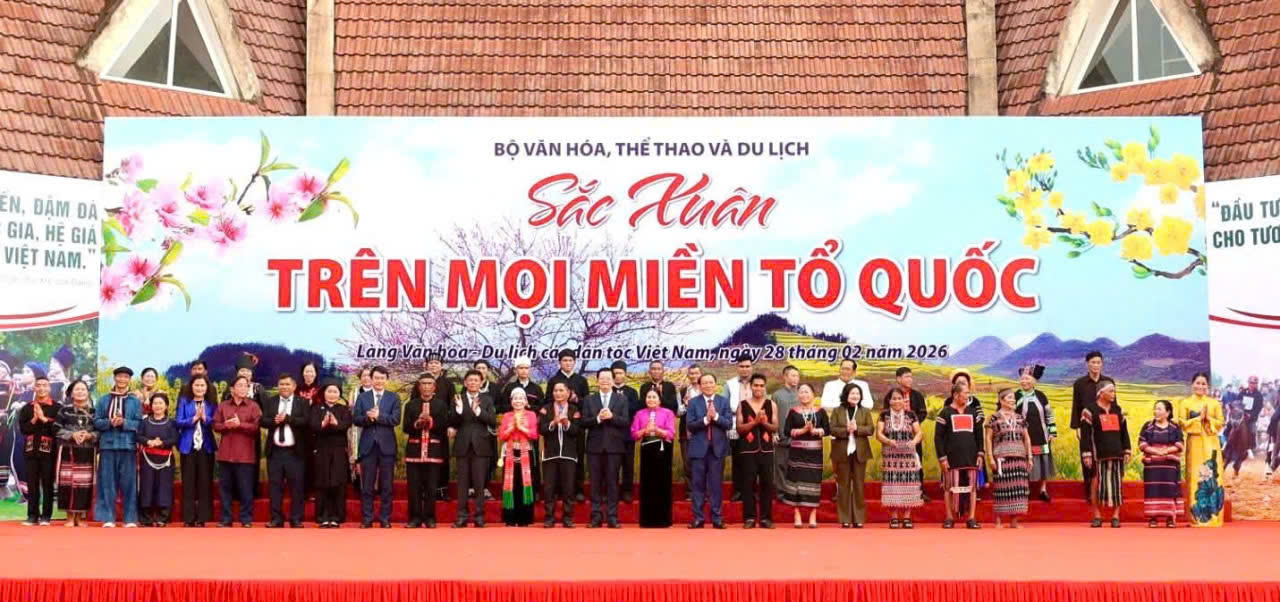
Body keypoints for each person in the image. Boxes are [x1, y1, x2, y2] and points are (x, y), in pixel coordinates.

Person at [580, 367, 630, 528]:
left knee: (612, 483)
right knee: (595, 483)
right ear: (597, 380)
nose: (605, 381)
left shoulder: (621, 399)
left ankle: (612, 517)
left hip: (614, 448)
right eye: (602, 378)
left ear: (613, 380)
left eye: (608, 378)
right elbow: (583, 422)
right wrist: (598, 419)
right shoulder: (589, 399)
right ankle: (595, 516)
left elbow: (625, 422)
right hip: (594, 447)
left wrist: (612, 417)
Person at [352, 366, 400, 528]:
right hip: (368, 446)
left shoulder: (393, 397)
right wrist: (368, 418)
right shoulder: (362, 397)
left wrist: (379, 416)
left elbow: (395, 420)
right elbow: (356, 419)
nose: (379, 381)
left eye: (382, 378)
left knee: (387, 486)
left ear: (386, 379)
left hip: (387, 446)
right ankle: (367, 519)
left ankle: (385, 519)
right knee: (367, 486)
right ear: (371, 379)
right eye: (376, 378)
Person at [94, 366, 142, 527]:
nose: (122, 379)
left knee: (129, 484)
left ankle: (130, 519)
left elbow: (139, 423)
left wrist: (124, 422)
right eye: (119, 376)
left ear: (129, 380)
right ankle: (108, 518)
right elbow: (96, 421)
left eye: (125, 377)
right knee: (107, 483)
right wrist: (109, 422)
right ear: (114, 378)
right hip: (107, 445)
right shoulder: (103, 399)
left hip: (128, 445)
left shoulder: (135, 401)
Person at [213, 375, 263, 527]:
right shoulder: (223, 406)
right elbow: (215, 425)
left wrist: (240, 424)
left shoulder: (253, 406)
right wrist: (226, 425)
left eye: (246, 385)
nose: (243, 388)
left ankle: (246, 519)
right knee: (225, 489)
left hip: (245, 455)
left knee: (245, 489)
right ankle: (226, 519)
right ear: (232, 389)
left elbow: (256, 428)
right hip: (225, 454)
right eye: (240, 385)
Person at [1080, 378, 1130, 528]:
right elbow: (1085, 435)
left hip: (1116, 453)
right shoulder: (1089, 411)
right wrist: (1087, 453)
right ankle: (1097, 515)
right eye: (1111, 391)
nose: (1114, 394)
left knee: (1117, 483)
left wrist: (1127, 450)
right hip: (1098, 455)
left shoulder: (1118, 410)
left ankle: (1116, 516)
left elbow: (1124, 433)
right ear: (1101, 393)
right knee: (1095, 483)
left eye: (1114, 391)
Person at [261, 373, 308, 528]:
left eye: (287, 384)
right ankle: (276, 518)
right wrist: (274, 421)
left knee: (297, 487)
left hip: (295, 452)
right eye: (281, 384)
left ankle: (296, 519)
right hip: (275, 452)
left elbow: (306, 421)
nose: (284, 387)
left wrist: (288, 419)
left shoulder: (302, 402)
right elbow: (263, 420)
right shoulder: (271, 401)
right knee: (275, 487)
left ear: (294, 386)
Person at [451, 369, 497, 528]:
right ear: (465, 382)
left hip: (481, 446)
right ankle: (461, 517)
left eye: (476, 380)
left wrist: (478, 411)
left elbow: (492, 421)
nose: (473, 383)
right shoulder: (458, 398)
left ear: (481, 383)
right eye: (470, 380)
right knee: (462, 485)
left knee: (479, 484)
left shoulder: (487, 400)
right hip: (463, 445)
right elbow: (452, 422)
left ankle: (479, 517)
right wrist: (458, 410)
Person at [403, 373, 449, 528]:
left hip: (433, 450)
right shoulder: (411, 405)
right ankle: (414, 518)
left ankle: (430, 518)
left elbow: (443, 427)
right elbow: (405, 427)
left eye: (430, 383)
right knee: (414, 487)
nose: (426, 386)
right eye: (423, 383)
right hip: (414, 451)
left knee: (431, 487)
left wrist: (430, 421)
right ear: (419, 386)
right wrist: (418, 423)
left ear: (434, 387)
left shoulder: (441, 405)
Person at [936, 381, 984, 529]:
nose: (968, 396)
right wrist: (942, 458)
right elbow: (938, 438)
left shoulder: (973, 412)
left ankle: (971, 518)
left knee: (972, 488)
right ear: (956, 395)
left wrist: (980, 454)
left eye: (968, 393)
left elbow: (979, 435)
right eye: (965, 393)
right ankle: (949, 517)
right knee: (948, 487)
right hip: (951, 457)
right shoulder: (945, 413)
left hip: (971, 456)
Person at [686, 373, 731, 529]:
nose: (708, 385)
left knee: (716, 485)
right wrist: (706, 419)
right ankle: (698, 518)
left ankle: (717, 518)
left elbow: (729, 424)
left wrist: (716, 416)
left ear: (715, 384)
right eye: (704, 383)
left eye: (711, 382)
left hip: (717, 450)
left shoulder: (723, 401)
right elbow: (690, 425)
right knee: (697, 485)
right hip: (698, 449)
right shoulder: (693, 403)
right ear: (700, 385)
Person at [1180, 372, 1225, 527]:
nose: (1200, 386)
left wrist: (1208, 419)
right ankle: (1197, 517)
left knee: (1213, 475)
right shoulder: (1185, 403)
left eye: (1203, 383)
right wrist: (1198, 419)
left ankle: (1213, 516)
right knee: (1195, 476)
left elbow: (1220, 423)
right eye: (1198, 383)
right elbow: (1182, 423)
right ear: (1192, 384)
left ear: (1208, 386)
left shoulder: (1214, 403)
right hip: (1195, 443)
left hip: (1211, 443)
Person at [781, 383, 827, 528]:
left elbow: (828, 429)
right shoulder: (793, 411)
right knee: (796, 483)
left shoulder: (820, 411)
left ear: (813, 394)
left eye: (807, 392)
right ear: (798, 395)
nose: (804, 395)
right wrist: (802, 431)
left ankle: (813, 515)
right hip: (797, 453)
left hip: (815, 454)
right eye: (801, 392)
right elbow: (786, 431)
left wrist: (814, 431)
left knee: (814, 482)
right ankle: (797, 515)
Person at [985, 388, 1031, 529]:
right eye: (1009, 397)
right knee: (1001, 488)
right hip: (1001, 458)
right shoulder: (993, 417)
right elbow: (988, 438)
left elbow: (1026, 438)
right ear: (1001, 400)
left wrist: (1029, 457)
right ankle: (999, 520)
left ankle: (1014, 520)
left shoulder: (1020, 418)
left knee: (1018, 489)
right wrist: (990, 457)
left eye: (1013, 398)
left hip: (1019, 458)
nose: (1013, 400)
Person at [546, 349, 589, 501]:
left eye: (570, 360)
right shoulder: (553, 380)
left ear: (575, 362)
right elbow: (547, 401)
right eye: (565, 360)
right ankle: (558, 490)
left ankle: (578, 489)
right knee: (557, 458)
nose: (568, 363)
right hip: (556, 424)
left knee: (577, 456)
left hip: (575, 424)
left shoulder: (581, 380)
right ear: (560, 362)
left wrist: (577, 400)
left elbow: (588, 402)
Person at [309, 379, 352, 528]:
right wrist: (323, 424)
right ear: (324, 393)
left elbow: (346, 425)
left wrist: (336, 423)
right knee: (322, 482)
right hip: (321, 450)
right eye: (329, 391)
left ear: (339, 394)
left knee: (337, 483)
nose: (332, 394)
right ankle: (322, 517)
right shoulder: (316, 408)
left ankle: (337, 517)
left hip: (339, 450)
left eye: (335, 391)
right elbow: (312, 425)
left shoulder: (344, 409)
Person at [878, 387, 923, 528]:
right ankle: (894, 517)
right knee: (892, 486)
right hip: (891, 456)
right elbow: (878, 434)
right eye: (894, 398)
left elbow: (919, 433)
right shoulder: (884, 415)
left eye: (900, 398)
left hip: (908, 457)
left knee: (909, 484)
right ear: (889, 401)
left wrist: (914, 441)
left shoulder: (911, 414)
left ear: (904, 400)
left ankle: (907, 517)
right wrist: (888, 441)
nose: (897, 401)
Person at [224, 354, 269, 496]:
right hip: (232, 433)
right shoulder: (230, 389)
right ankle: (234, 493)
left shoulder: (258, 388)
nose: (245, 374)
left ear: (252, 373)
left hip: (251, 434)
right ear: (237, 373)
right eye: (242, 371)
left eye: (248, 371)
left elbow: (266, 411)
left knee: (251, 463)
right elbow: (223, 408)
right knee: (233, 463)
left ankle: (252, 492)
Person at [831, 381, 874, 528]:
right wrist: (846, 430)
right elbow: (832, 429)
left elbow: (870, 429)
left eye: (858, 393)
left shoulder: (865, 411)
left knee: (859, 485)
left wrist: (857, 429)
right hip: (842, 451)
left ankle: (859, 518)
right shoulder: (837, 411)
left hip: (859, 452)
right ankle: (845, 518)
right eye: (852, 393)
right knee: (843, 486)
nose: (855, 396)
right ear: (846, 395)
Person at [175, 374, 217, 527]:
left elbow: (216, 422)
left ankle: (202, 518)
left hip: (206, 447)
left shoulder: (211, 403)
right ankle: (188, 518)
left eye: (202, 385)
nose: (199, 388)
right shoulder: (184, 401)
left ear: (207, 388)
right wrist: (193, 419)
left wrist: (205, 418)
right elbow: (178, 422)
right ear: (191, 387)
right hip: (188, 446)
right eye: (197, 385)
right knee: (188, 482)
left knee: (205, 482)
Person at [736, 373, 776, 529]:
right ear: (750, 386)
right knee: (748, 485)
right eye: (756, 385)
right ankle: (750, 518)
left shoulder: (771, 405)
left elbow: (775, 427)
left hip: (766, 450)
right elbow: (739, 429)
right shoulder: (742, 405)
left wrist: (764, 423)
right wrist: (755, 423)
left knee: (767, 484)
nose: (758, 388)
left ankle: (766, 519)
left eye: (761, 385)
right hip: (748, 451)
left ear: (765, 387)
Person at [631, 388, 676, 528]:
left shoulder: (668, 413)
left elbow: (671, 433)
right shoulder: (639, 413)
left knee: (662, 484)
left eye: (654, 397)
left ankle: (663, 520)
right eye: (648, 397)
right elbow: (634, 434)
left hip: (663, 450)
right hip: (647, 450)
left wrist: (657, 430)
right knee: (647, 484)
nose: (651, 399)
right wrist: (645, 430)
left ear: (660, 399)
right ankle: (647, 520)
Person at [539, 381, 581, 527]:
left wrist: (566, 423)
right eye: (555, 390)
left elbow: (577, 431)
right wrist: (553, 423)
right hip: (550, 454)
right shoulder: (546, 409)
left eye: (561, 390)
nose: (558, 393)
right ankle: (549, 518)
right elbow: (541, 429)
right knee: (549, 488)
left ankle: (568, 518)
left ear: (568, 393)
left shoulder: (574, 409)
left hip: (568, 454)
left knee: (568, 488)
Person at [18, 372, 57, 525]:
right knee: (32, 484)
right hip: (30, 451)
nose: (41, 388)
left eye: (44, 385)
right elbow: (23, 429)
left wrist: (44, 419)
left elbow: (57, 429)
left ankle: (46, 516)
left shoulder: (57, 407)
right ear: (34, 388)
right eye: (38, 385)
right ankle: (32, 515)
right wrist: (34, 419)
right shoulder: (27, 408)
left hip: (49, 452)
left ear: (49, 388)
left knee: (47, 484)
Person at [56, 380, 96, 527]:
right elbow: (56, 428)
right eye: (77, 389)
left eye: (83, 389)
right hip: (68, 451)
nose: (80, 392)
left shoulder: (94, 412)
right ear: (72, 393)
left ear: (88, 393)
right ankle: (69, 517)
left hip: (87, 452)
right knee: (67, 483)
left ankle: (80, 517)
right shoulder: (64, 410)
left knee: (84, 483)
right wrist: (72, 434)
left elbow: (100, 430)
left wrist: (90, 436)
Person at [885, 367, 929, 501]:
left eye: (911, 376)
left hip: (913, 435)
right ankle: (897, 492)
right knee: (896, 464)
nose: (910, 379)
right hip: (895, 437)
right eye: (907, 376)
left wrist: (911, 423)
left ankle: (919, 491)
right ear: (898, 379)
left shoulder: (917, 395)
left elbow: (923, 413)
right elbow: (885, 413)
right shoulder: (890, 395)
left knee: (917, 462)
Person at [1071, 351, 1110, 500]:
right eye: (1093, 362)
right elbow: (1076, 406)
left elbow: (1113, 403)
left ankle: (1104, 490)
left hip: (1104, 424)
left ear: (1102, 364)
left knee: (1105, 456)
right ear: (1087, 364)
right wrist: (1077, 427)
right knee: (1087, 458)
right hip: (1085, 425)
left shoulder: (1108, 381)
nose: (1096, 365)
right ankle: (1089, 492)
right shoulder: (1079, 383)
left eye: (1098, 362)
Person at [1139, 400, 1184, 528]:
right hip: (1152, 466)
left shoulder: (1174, 427)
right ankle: (1153, 518)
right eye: (1155, 409)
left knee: (1170, 491)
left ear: (1167, 412)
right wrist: (1156, 452)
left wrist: (1166, 451)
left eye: (1159, 409)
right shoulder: (1148, 426)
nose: (1156, 412)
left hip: (1170, 466)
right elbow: (1142, 444)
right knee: (1153, 491)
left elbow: (1180, 444)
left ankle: (1170, 518)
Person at [498, 388, 539, 526]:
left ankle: (524, 519)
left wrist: (521, 427)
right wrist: (511, 428)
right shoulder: (507, 416)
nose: (518, 401)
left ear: (526, 401)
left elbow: (534, 435)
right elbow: (502, 435)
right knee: (511, 483)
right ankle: (510, 518)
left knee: (524, 483)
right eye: (515, 398)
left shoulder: (531, 415)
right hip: (510, 451)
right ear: (511, 402)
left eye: (521, 398)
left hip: (526, 451)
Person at [136, 392, 177, 527]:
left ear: (166, 406)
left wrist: (162, 443)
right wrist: (149, 441)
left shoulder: (171, 423)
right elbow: (138, 436)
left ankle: (163, 518)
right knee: (146, 487)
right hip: (147, 458)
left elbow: (175, 438)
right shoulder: (145, 422)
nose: (158, 406)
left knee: (164, 487)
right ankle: (146, 518)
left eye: (161, 403)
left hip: (166, 460)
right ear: (151, 406)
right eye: (155, 403)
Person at [1015, 364, 1055, 502]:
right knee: (1024, 460)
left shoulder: (1041, 396)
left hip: (1041, 434)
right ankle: (1025, 489)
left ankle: (1043, 489)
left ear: (1034, 381)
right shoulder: (1015, 396)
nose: (1024, 381)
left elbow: (1049, 414)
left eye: (1027, 379)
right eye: (1022, 379)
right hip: (1022, 436)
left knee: (1043, 460)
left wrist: (1052, 431)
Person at [723, 353, 756, 502]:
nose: (745, 369)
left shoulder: (757, 382)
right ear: (737, 367)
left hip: (755, 426)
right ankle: (738, 491)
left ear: (752, 367)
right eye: (742, 366)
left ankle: (752, 491)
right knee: (737, 460)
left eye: (747, 366)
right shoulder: (729, 384)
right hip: (735, 426)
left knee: (753, 461)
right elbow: (723, 406)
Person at [611, 360, 641, 503]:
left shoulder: (632, 392)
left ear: (625, 374)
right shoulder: (607, 391)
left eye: (621, 373)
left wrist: (621, 405)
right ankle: (612, 491)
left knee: (628, 464)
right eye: (615, 373)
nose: (618, 376)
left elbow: (634, 410)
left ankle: (627, 491)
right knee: (612, 465)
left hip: (627, 433)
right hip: (611, 434)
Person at [1226, 375, 1263, 478]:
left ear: (1256, 384)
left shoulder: (1259, 395)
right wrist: (1238, 411)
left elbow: (1258, 408)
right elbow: (1237, 402)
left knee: (1253, 429)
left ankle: (1251, 445)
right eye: (1251, 383)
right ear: (1248, 383)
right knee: (1229, 425)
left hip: (1250, 418)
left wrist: (1251, 415)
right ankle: (1225, 441)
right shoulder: (1242, 392)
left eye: (1254, 383)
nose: (1252, 385)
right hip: (1240, 416)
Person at [771, 367, 800, 500]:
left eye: (797, 376)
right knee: (780, 465)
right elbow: (772, 415)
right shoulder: (777, 395)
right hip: (782, 437)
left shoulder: (801, 394)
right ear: (785, 377)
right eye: (793, 375)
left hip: (799, 437)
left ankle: (795, 492)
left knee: (797, 466)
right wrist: (774, 432)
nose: (795, 379)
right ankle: (781, 493)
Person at [677, 364, 703, 501]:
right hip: (685, 432)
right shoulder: (682, 391)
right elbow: (678, 412)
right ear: (688, 375)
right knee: (688, 463)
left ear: (701, 374)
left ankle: (704, 492)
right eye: (691, 373)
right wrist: (685, 405)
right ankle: (690, 492)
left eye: (696, 373)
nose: (694, 376)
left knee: (703, 463)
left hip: (703, 432)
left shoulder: (706, 389)